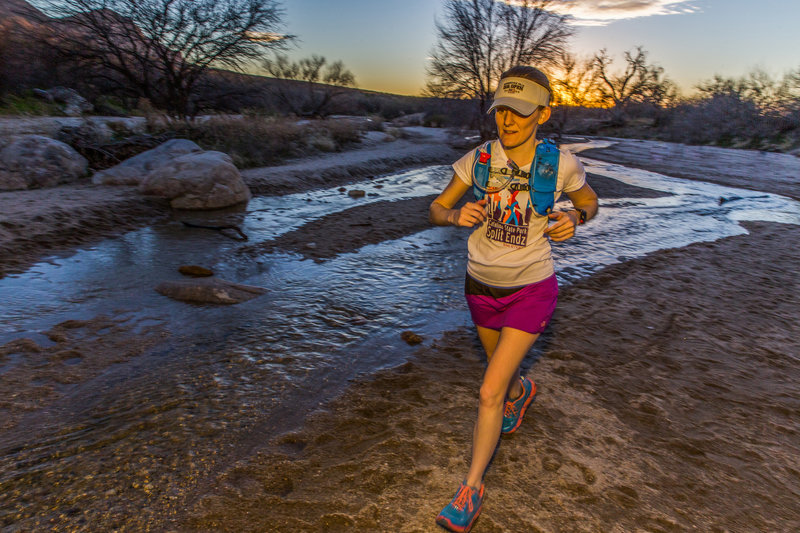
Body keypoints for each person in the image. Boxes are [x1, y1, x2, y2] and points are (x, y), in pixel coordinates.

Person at [429, 65, 598, 532]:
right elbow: (436, 208)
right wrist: (453, 216)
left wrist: (575, 219)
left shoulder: (559, 164)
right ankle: (523, 392)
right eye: (502, 110)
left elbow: (589, 201)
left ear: (542, 113)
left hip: (532, 288)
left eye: (520, 113)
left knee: (488, 390)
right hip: (480, 287)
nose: (508, 121)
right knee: (503, 380)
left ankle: (470, 489)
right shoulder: (478, 161)